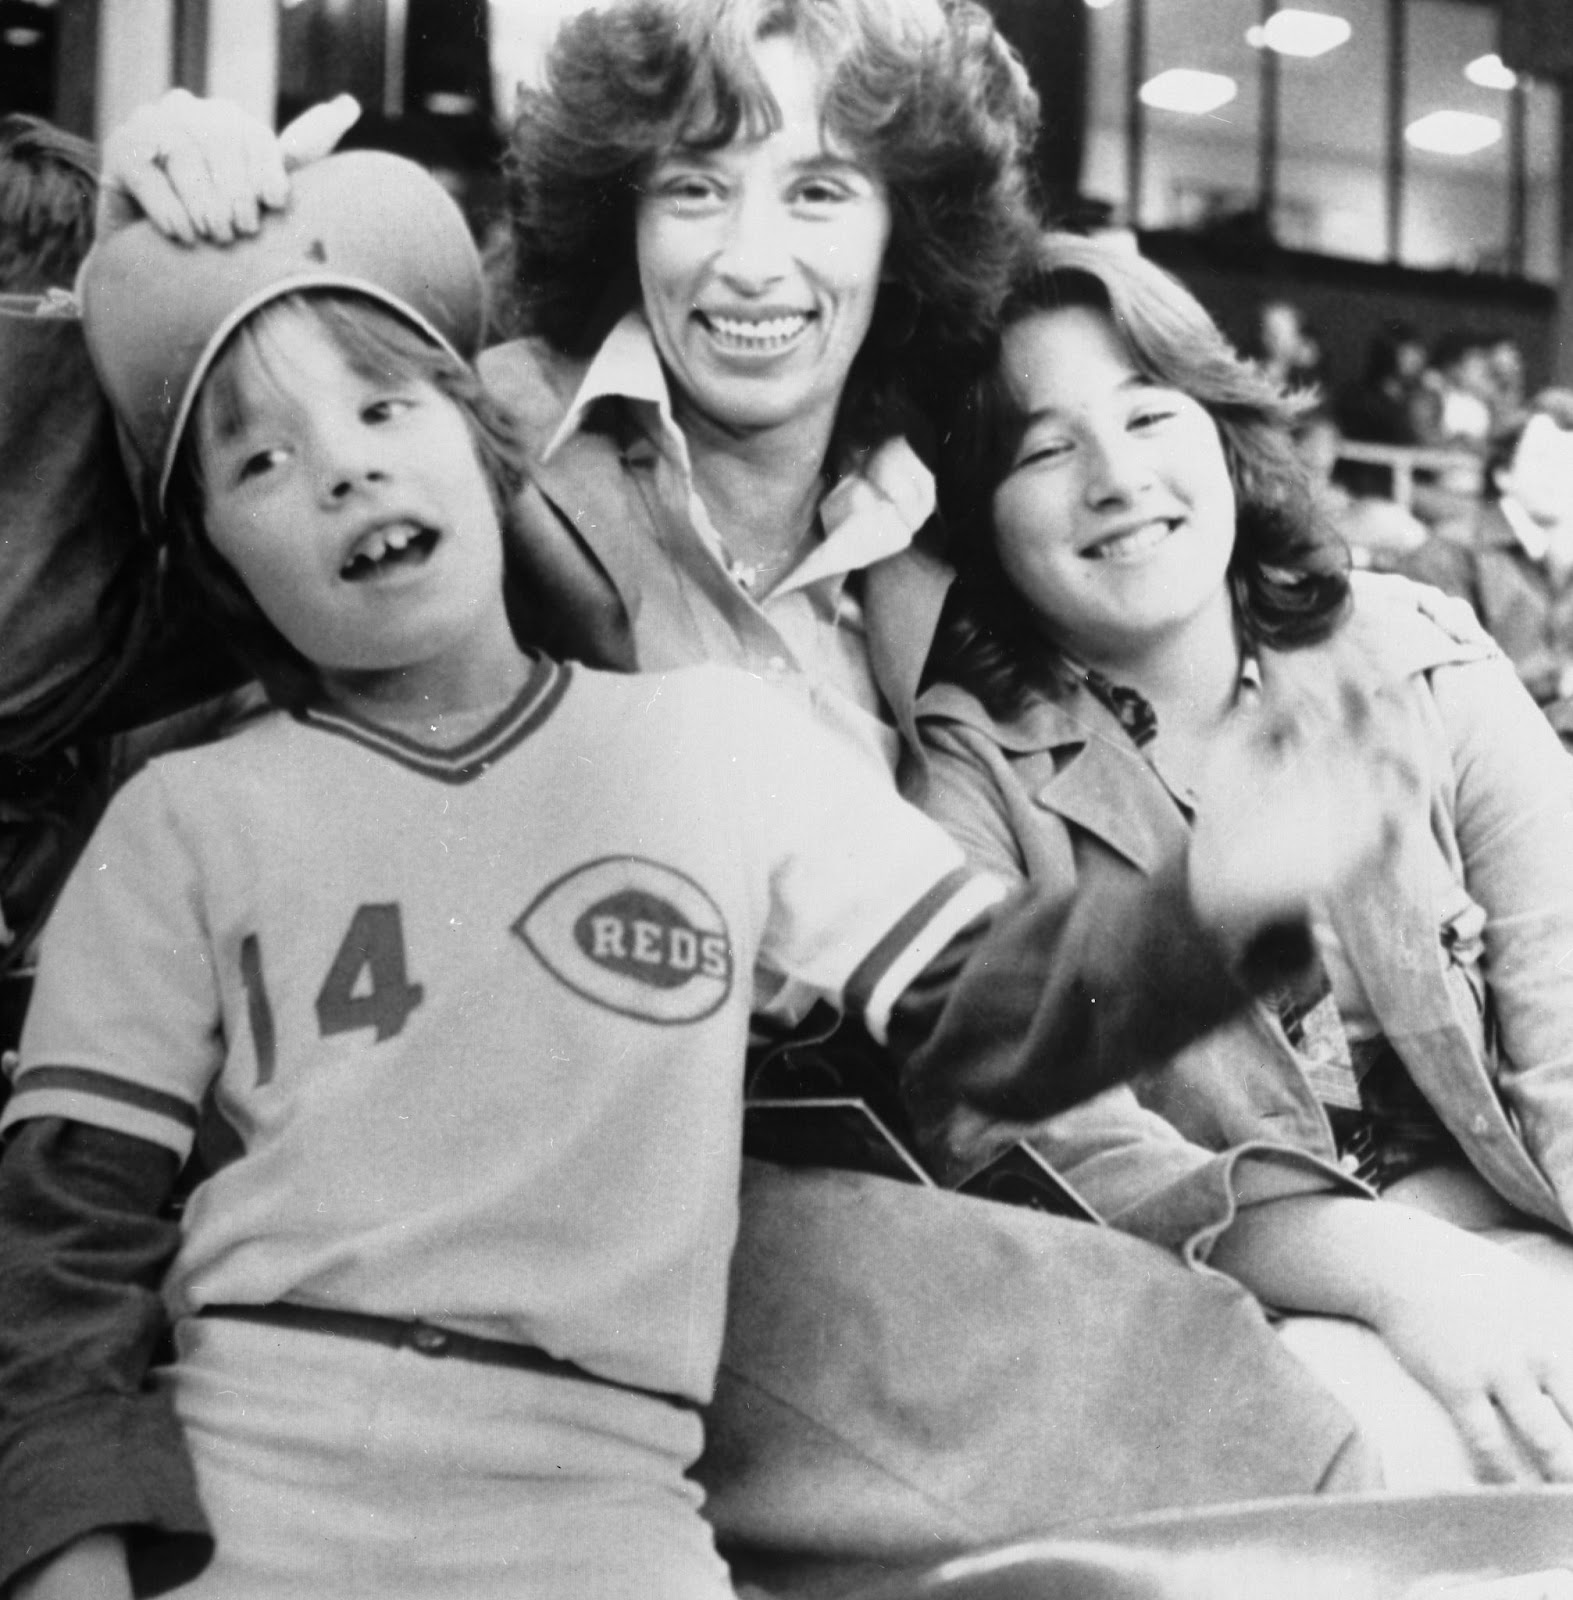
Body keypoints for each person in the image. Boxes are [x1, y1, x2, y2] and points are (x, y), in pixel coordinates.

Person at [0, 148, 1308, 1600]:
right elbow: (65, 1240)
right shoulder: (182, 819)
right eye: (259, 460)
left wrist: (1224, 903)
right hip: (251, 1485)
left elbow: (1002, 1016)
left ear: (489, 441)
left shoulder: (720, 748)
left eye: (386, 404)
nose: (346, 465)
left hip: (608, 1502)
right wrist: (75, 1567)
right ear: (222, 565)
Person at [911, 230, 1573, 1487]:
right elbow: (1040, 1141)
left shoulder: (1423, 655)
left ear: (1222, 434)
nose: (1116, 477)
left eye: (1148, 414)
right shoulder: (971, 768)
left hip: (1527, 1240)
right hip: (1250, 1317)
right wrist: (1395, 1268)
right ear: (980, 519)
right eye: (1045, 448)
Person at [1399, 389, 1573, 743]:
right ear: (1503, 473)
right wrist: (1560, 679)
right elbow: (1449, 693)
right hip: (1483, 759)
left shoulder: (1560, 555)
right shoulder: (1450, 552)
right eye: (1544, 457)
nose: (1562, 473)